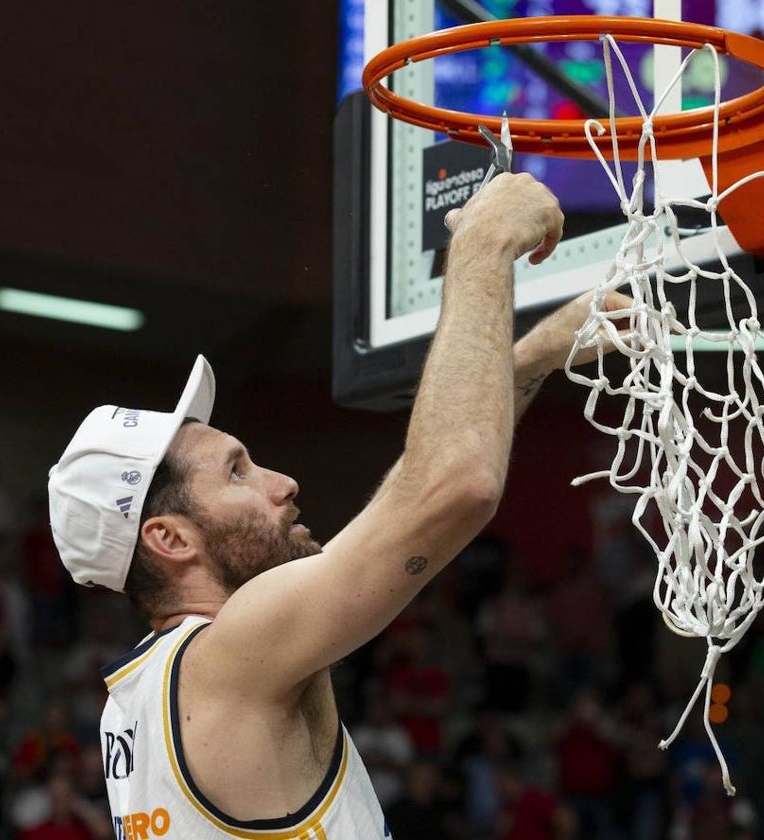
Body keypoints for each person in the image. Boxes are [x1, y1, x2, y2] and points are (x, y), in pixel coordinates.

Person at [47, 172, 628, 836]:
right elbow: (451, 485)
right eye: (238, 473)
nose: (283, 482)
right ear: (171, 540)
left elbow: (419, 490)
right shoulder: (230, 651)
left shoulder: (140, 699)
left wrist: (532, 355)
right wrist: (483, 243)